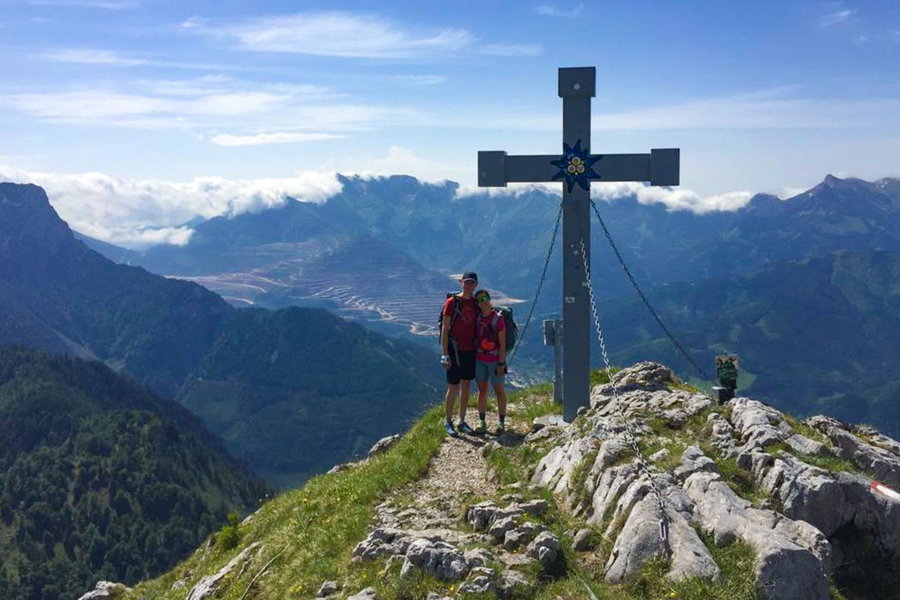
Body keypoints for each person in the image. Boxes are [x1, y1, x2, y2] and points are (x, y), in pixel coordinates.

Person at [440, 272, 479, 437]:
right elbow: (445, 328)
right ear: (461, 282)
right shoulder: (452, 302)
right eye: (466, 282)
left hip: (470, 349)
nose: (469, 285)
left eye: (472, 283)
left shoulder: (476, 303)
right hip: (454, 350)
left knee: (466, 385)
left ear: (476, 285)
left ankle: (461, 421)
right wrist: (444, 354)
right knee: (453, 386)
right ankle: (448, 421)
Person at [473, 289, 508, 434]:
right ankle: (482, 422)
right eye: (480, 300)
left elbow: (502, 344)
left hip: (494, 361)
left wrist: (501, 363)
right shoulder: (478, 318)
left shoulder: (498, 319)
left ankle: (501, 423)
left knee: (499, 391)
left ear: (489, 299)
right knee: (482, 391)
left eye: (485, 298)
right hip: (480, 359)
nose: (483, 301)